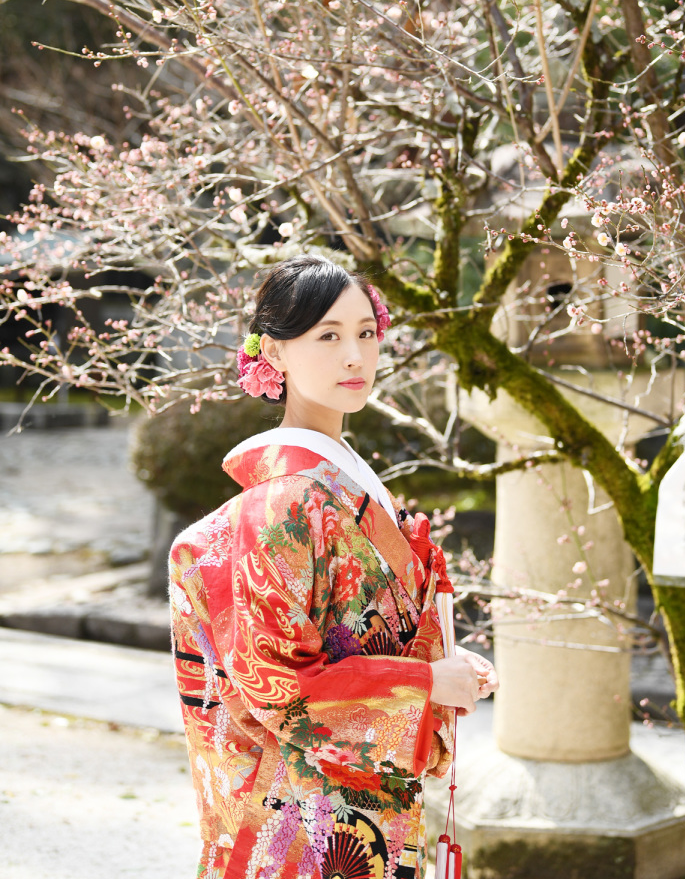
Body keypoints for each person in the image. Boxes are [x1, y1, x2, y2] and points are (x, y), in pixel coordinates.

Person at [170, 255, 498, 879]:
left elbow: (380, 633)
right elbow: (282, 690)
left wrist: (446, 667)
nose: (355, 355)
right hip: (299, 821)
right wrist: (427, 685)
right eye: (328, 336)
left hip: (364, 809)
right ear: (276, 352)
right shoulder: (278, 508)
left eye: (365, 333)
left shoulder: (344, 484)